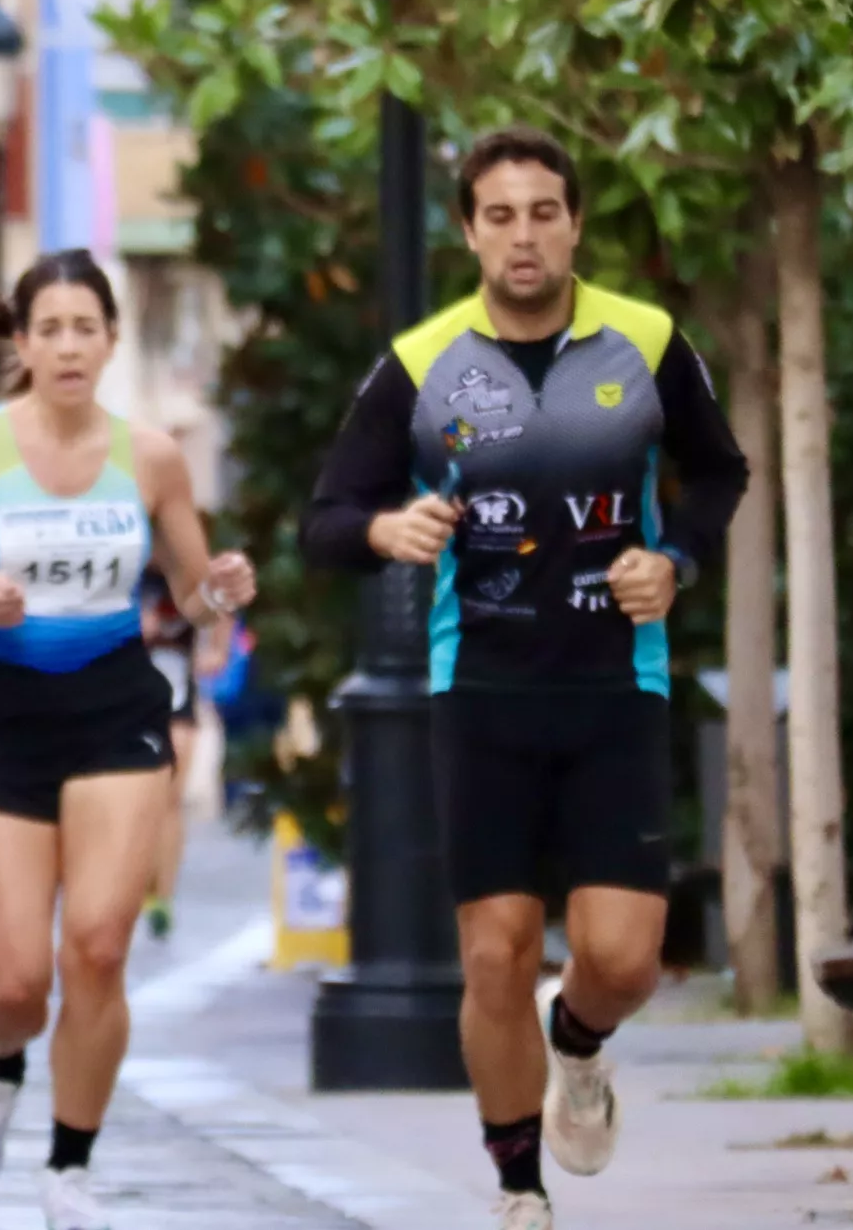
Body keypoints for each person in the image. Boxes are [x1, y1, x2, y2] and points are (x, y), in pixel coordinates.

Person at [300, 128, 748, 1230]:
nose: (523, 234)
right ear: (468, 231)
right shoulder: (419, 364)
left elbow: (720, 469)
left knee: (621, 956)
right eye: (499, 215)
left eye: (543, 210)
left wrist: (675, 557)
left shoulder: (644, 343)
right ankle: (517, 1186)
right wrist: (385, 526)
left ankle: (580, 1044)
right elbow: (324, 522)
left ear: (574, 221)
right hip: (483, 693)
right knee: (494, 950)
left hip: (614, 687)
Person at [0, 250, 257, 1230]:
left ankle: (70, 1166)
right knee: (16, 981)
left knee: (97, 943)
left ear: (109, 340)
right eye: (46, 327)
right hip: (3, 716)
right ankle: (1, 1064)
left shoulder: (152, 456)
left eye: (83, 327)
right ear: (20, 342)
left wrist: (221, 585)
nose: (66, 345)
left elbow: (188, 590)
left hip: (114, 708)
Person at [137, 573, 199, 943]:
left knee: (169, 799)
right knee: (136, 801)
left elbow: (218, 604)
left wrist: (217, 651)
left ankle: (162, 895)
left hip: (176, 697)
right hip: (123, 698)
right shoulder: (124, 568)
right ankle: (140, 887)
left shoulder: (184, 566)